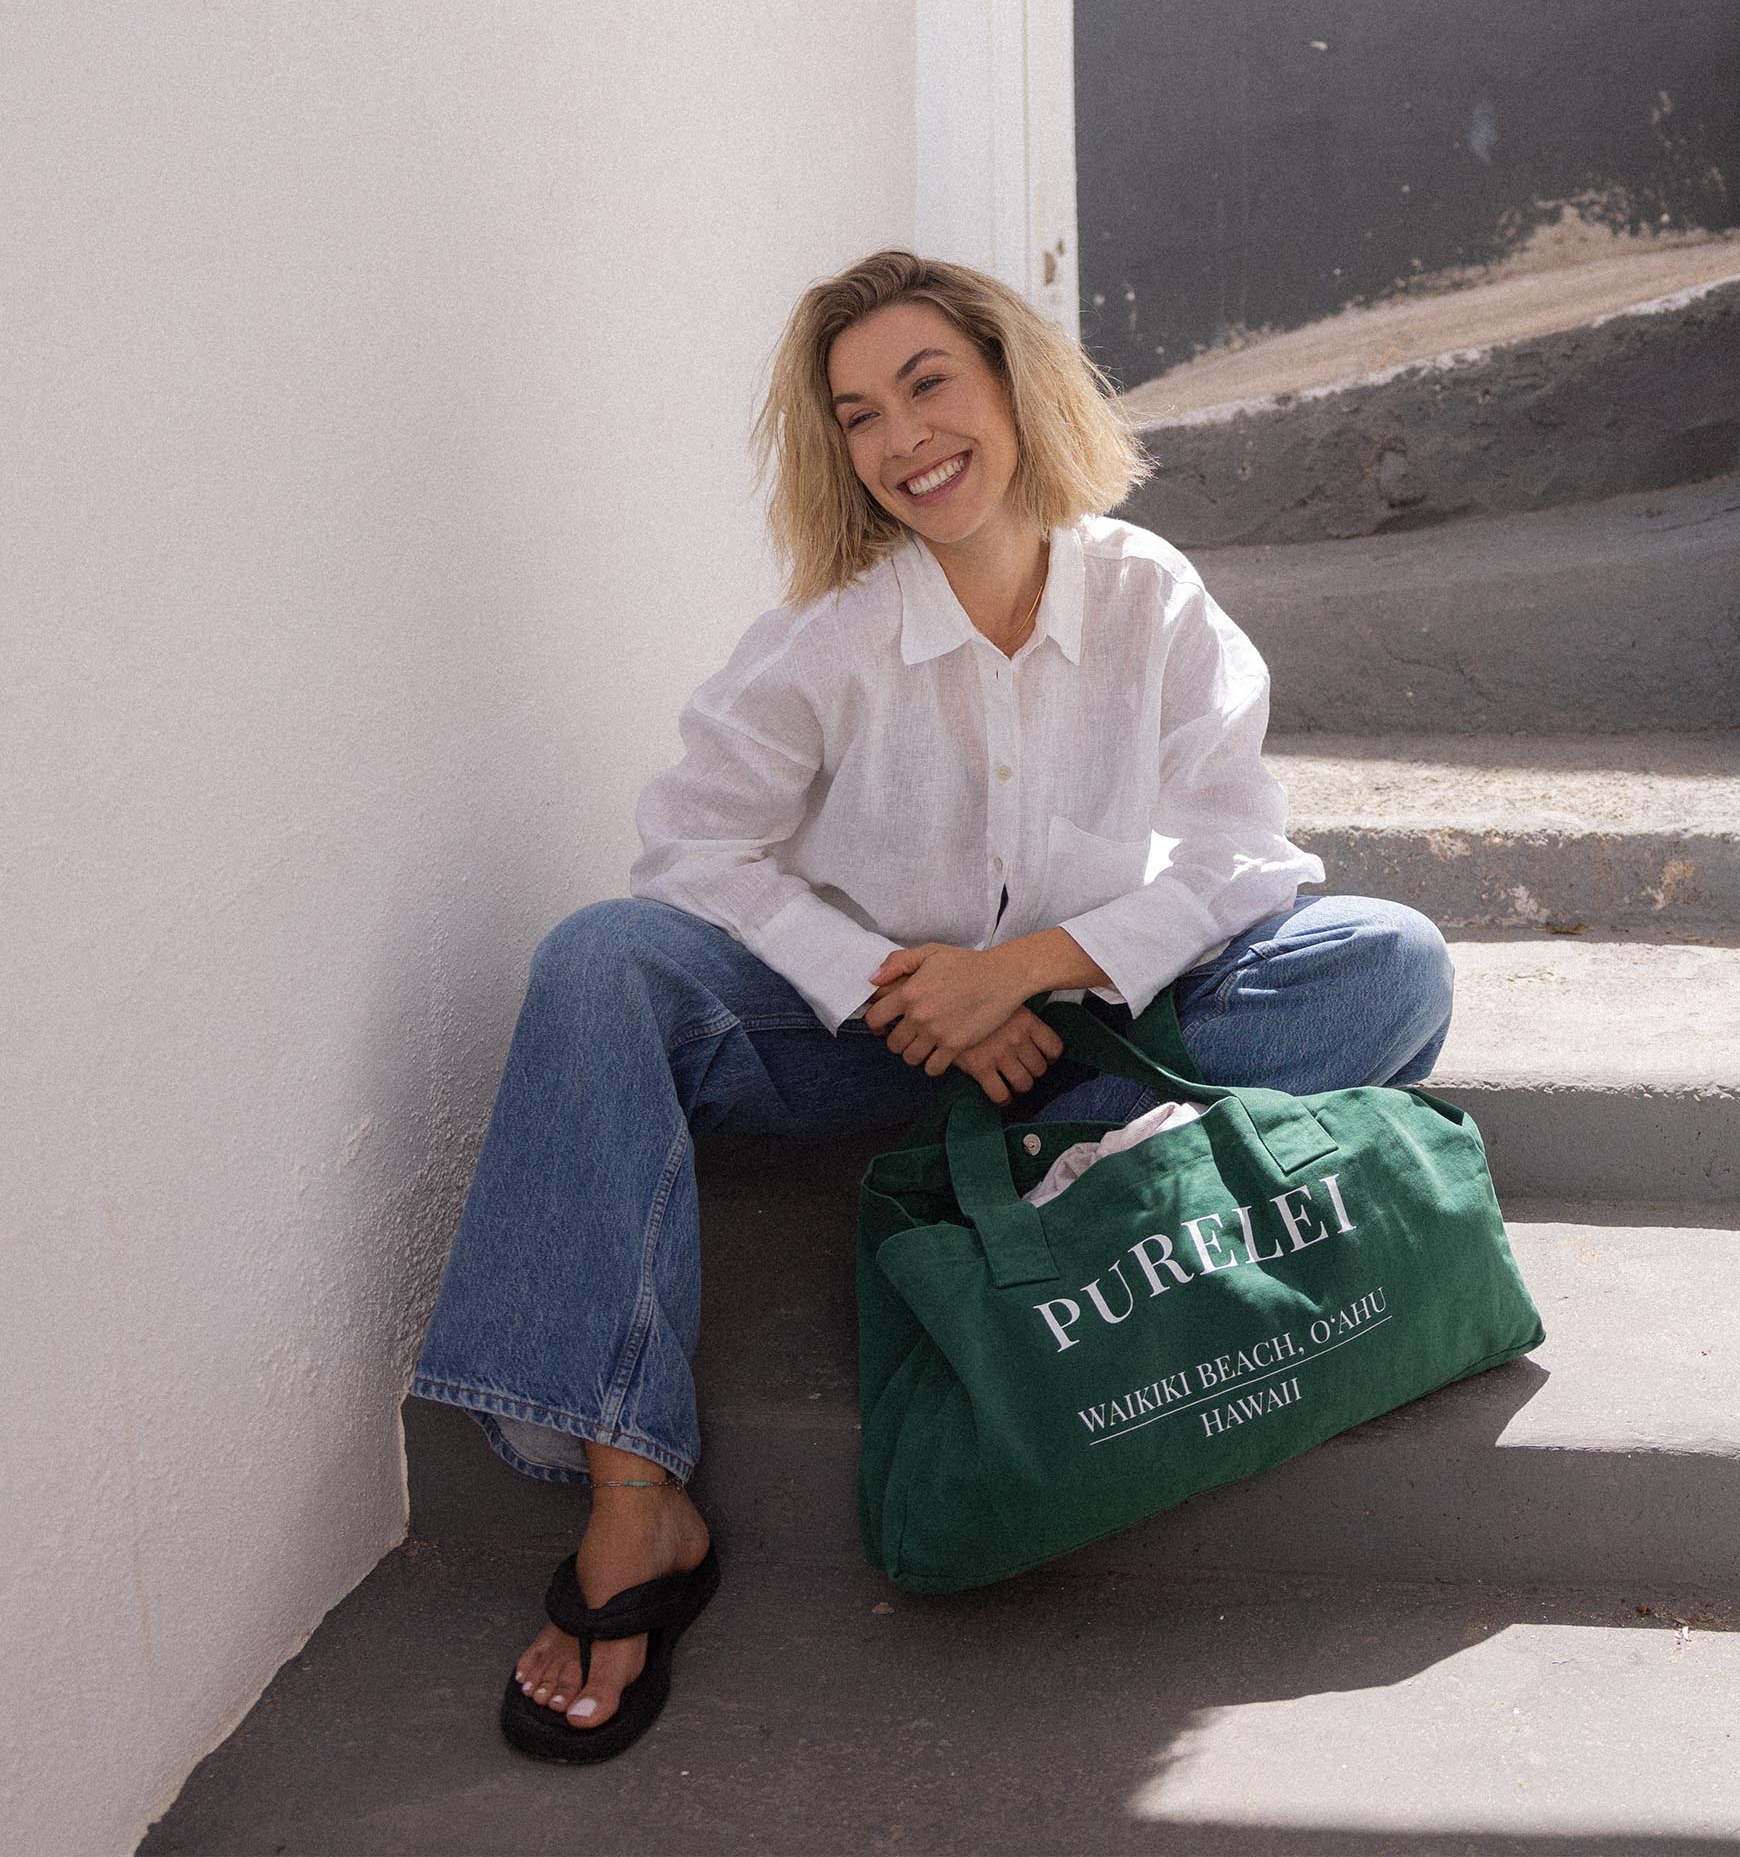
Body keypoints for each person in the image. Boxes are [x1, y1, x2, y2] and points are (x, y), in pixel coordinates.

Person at [410, 248, 1454, 1763]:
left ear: (1012, 386)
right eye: (857, 415)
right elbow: (691, 847)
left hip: (1084, 1021)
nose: (902, 439)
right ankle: (635, 1498)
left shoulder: (1146, 591)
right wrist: (891, 988)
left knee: (1389, 962)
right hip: (861, 1047)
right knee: (600, 958)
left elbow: (1240, 855)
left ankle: (1031, 1131)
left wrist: (1023, 973)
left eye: (927, 385)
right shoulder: (832, 633)